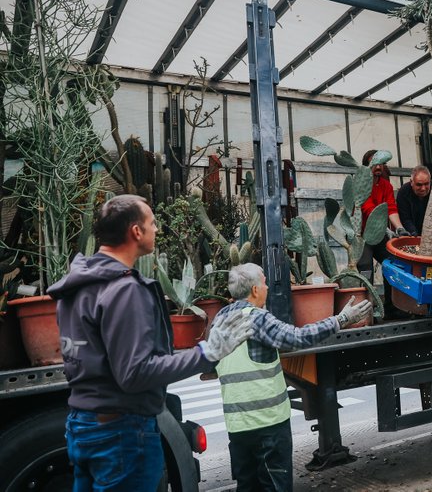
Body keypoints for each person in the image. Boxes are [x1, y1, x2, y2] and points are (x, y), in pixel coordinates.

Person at [50, 194, 254, 491]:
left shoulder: (77, 284)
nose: (157, 229)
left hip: (83, 425)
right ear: (136, 232)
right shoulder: (124, 290)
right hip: (122, 432)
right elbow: (135, 373)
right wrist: (207, 353)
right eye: (152, 223)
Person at [215, 263, 372, 491]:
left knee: (247, 486)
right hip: (267, 425)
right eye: (265, 282)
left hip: (237, 426)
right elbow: (298, 337)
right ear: (256, 290)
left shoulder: (219, 320)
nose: (268, 287)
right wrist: (341, 319)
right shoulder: (257, 319)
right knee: (275, 486)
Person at [357, 150, 409, 318]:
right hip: (362, 236)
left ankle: (392, 308)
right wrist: (385, 228)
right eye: (374, 163)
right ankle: (366, 312)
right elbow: (368, 208)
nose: (378, 166)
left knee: (391, 265)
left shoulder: (386, 185)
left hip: (379, 235)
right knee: (365, 270)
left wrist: (399, 228)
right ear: (367, 165)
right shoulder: (361, 183)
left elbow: (391, 208)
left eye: (380, 163)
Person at [396, 165, 432, 237]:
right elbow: (405, 218)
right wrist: (413, 233)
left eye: (426, 184)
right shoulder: (404, 192)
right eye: (419, 185)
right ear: (411, 182)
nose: (423, 188)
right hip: (413, 235)